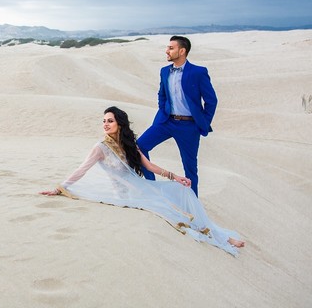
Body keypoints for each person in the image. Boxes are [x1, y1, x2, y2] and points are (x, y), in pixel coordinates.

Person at [41, 106, 244, 255]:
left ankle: (220, 236)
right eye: (104, 121)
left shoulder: (129, 144)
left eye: (110, 120)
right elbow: (82, 169)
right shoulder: (100, 148)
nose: (105, 124)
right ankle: (218, 238)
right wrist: (60, 188)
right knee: (169, 210)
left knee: (180, 191)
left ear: (119, 123)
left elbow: (149, 167)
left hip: (140, 189)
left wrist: (176, 177)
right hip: (123, 196)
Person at [137, 35, 217, 196]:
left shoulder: (198, 72)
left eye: (171, 48)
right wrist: (163, 109)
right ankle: (151, 188)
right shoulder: (164, 71)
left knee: (190, 167)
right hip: (166, 122)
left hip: (189, 126)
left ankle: (192, 203)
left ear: (182, 51)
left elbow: (211, 100)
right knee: (139, 147)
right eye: (167, 48)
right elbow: (162, 94)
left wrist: (201, 122)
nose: (167, 51)